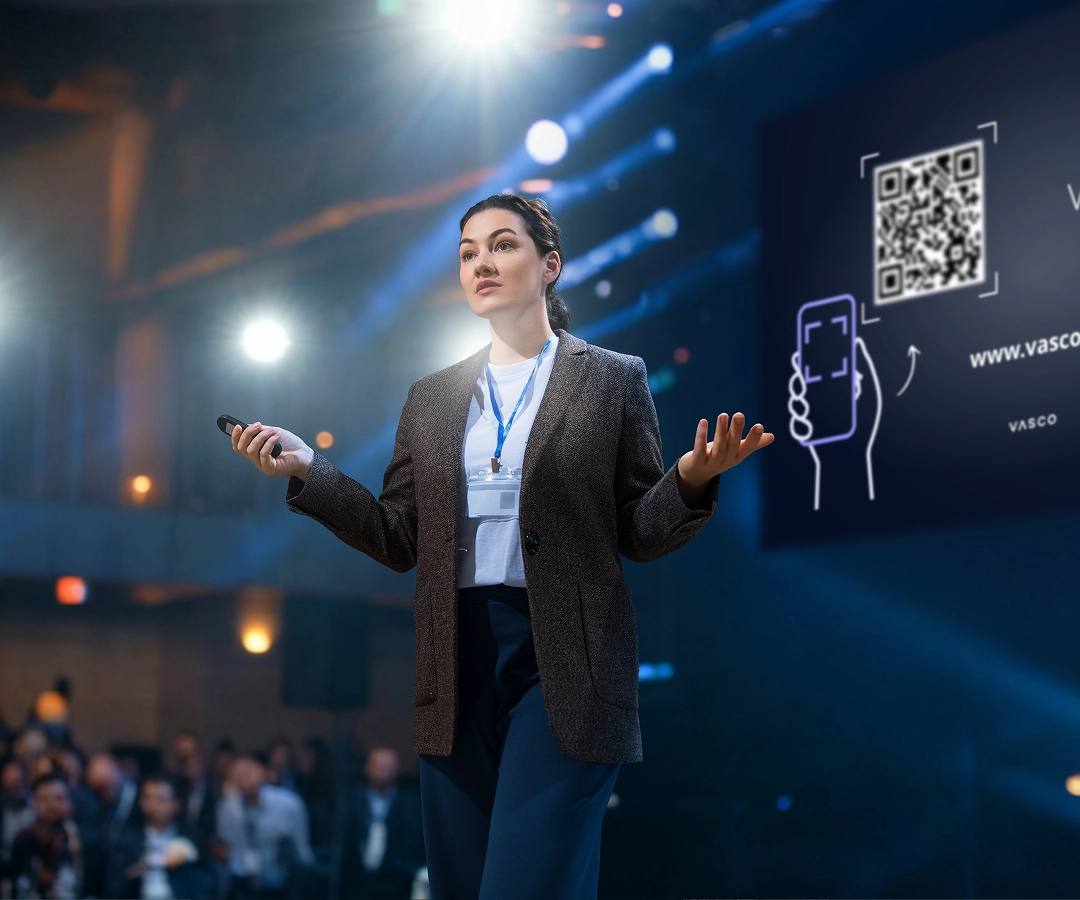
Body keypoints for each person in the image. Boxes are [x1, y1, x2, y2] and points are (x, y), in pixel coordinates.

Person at [230, 192, 773, 899]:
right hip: (455, 665)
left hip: (566, 666)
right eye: (467, 252)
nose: (481, 261)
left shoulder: (612, 378)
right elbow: (399, 537)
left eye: (502, 245)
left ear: (550, 265)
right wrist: (310, 470)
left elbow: (637, 531)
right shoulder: (432, 397)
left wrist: (692, 478)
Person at [216, 756, 314, 899]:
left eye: (249, 773)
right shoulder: (229, 807)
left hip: (282, 882)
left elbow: (302, 852)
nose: (245, 779)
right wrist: (229, 803)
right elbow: (228, 847)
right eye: (239, 775)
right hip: (243, 885)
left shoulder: (289, 805)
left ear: (260, 773)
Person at [105, 773, 215, 900]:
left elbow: (208, 881)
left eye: (161, 798)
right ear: (141, 802)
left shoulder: (191, 838)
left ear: (176, 803)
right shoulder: (127, 841)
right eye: (149, 798)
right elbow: (114, 887)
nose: (155, 804)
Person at [341, 747, 424, 899]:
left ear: (397, 770)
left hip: (397, 883)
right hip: (358, 883)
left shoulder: (411, 803)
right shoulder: (353, 801)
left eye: (388, 768)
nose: (384, 772)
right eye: (379, 767)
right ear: (367, 768)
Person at [8, 773, 82, 900]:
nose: (52, 806)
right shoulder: (23, 840)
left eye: (59, 798)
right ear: (33, 803)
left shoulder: (87, 842)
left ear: (70, 802)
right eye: (44, 799)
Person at [170, 731, 218, 847]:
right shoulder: (174, 787)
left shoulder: (217, 787)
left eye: (190, 755)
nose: (186, 762)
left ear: (202, 755)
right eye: (181, 758)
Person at [1, 763, 36, 894]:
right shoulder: (2, 808)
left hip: (28, 866)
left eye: (17, 783)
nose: (14, 789)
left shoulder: (35, 807)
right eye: (9, 786)